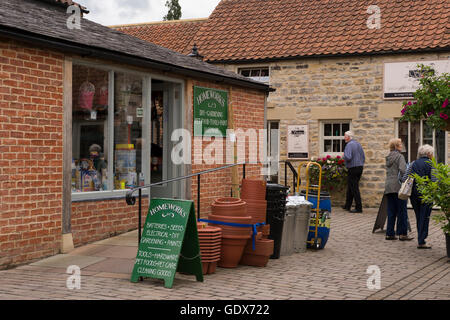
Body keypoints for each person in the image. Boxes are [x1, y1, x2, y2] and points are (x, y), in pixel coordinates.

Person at [404, 144, 436, 249]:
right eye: (432, 153)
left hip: (414, 194)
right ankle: (421, 241)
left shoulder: (413, 163)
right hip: (426, 195)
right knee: (425, 217)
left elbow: (404, 178)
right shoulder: (431, 164)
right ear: (428, 154)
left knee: (419, 216)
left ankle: (421, 239)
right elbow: (435, 180)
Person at [384, 138, 413, 241]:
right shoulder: (400, 156)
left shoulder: (388, 157)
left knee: (391, 211)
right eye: (400, 145)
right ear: (396, 146)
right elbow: (403, 170)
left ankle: (390, 233)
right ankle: (402, 234)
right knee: (402, 211)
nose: (402, 146)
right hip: (398, 186)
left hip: (388, 186)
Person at [342, 131, 365, 213]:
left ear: (348, 137)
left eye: (345, 136)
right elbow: (363, 156)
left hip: (353, 168)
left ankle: (359, 208)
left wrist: (343, 156)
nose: (344, 138)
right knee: (351, 187)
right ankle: (347, 205)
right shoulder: (358, 144)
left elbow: (348, 157)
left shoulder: (349, 145)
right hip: (360, 167)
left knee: (354, 188)